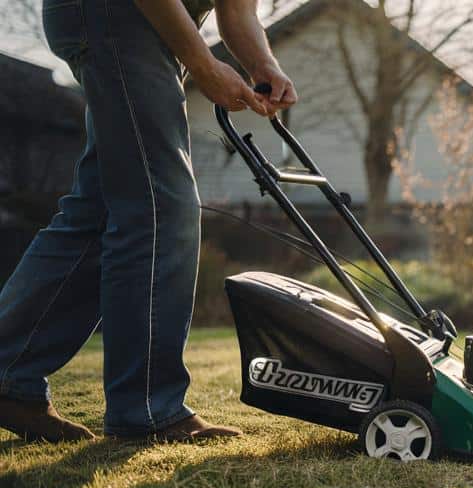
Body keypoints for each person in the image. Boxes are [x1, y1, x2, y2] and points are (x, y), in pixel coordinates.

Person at [0, 0, 296, 443]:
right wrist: (203, 65)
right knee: (162, 204)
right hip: (114, 14)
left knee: (101, 210)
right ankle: (148, 409)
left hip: (143, 26)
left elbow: (237, 10)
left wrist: (264, 65)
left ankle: (9, 376)